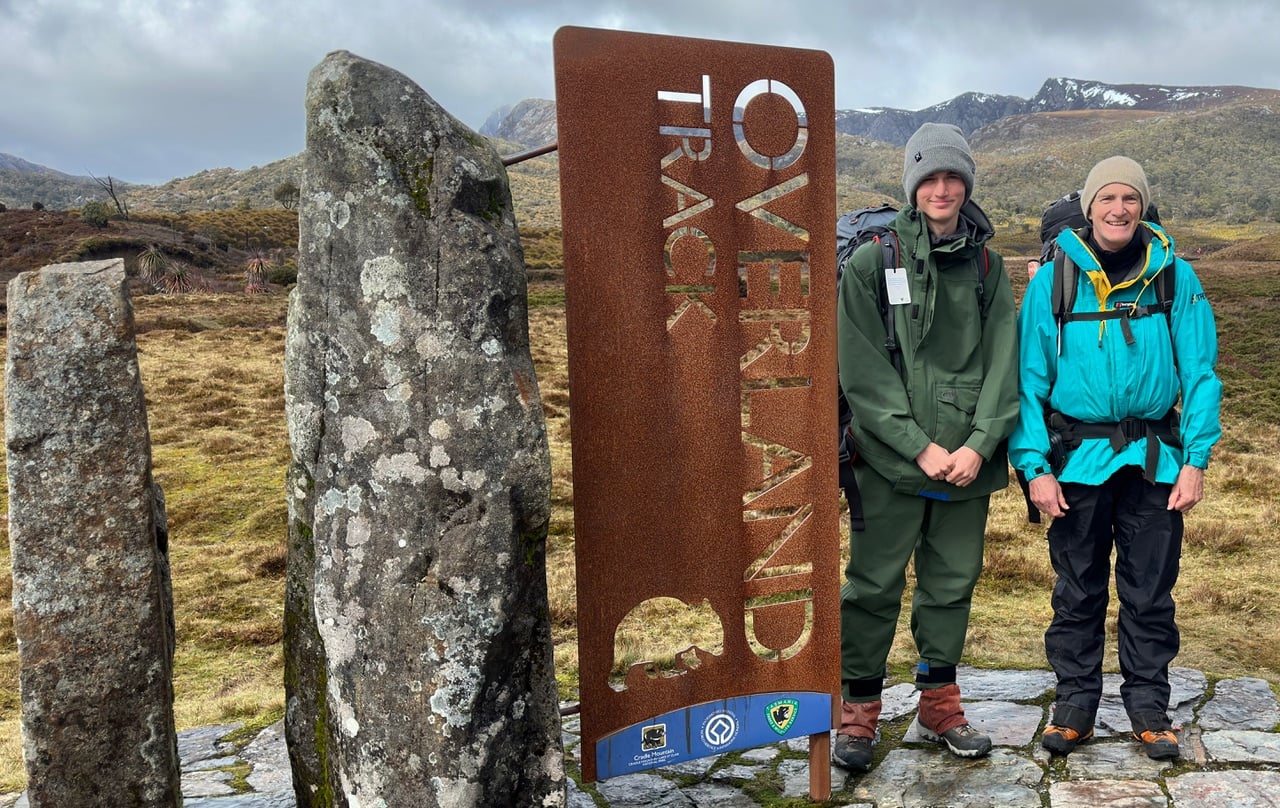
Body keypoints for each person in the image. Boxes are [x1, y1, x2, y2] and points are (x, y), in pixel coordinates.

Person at [1009, 156, 1222, 760]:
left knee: (1150, 589)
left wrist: (1196, 459)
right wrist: (1034, 467)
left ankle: (1149, 707)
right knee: (1077, 590)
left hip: (1155, 460)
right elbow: (1028, 383)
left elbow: (1201, 375)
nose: (1119, 209)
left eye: (1130, 198)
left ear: (1142, 205)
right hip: (1075, 460)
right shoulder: (1054, 281)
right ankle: (1075, 704)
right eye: (1107, 198)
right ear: (1089, 206)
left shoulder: (1175, 278)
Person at [833, 123, 1020, 771]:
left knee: (949, 585)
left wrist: (979, 444)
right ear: (913, 185)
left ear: (966, 182)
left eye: (952, 177)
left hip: (967, 467)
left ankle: (939, 703)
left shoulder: (988, 267)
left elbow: (1006, 361)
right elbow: (861, 371)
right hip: (888, 463)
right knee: (872, 585)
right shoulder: (871, 262)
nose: (941, 190)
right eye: (929, 178)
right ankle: (857, 711)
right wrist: (918, 447)